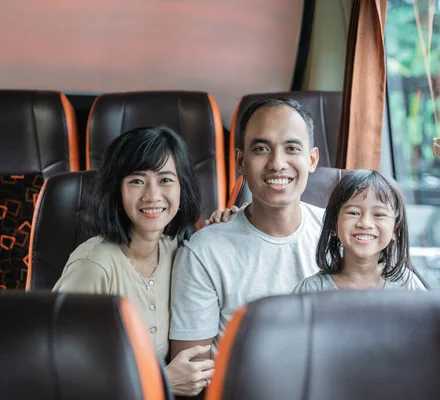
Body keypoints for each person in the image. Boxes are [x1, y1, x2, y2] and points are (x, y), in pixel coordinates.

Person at [53, 126, 214, 397]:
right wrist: (160, 381)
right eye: (137, 181)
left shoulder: (177, 248)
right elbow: (60, 372)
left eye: (165, 180)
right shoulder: (93, 266)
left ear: (181, 187)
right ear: (117, 191)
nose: (152, 195)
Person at [169, 98, 322, 361]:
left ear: (311, 159)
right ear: (240, 161)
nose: (277, 163)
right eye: (261, 148)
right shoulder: (204, 252)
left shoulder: (340, 235)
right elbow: (191, 372)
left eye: (292, 148)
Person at [293, 169, 426, 292]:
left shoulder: (408, 285)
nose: (365, 223)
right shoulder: (311, 290)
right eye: (354, 213)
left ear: (395, 230)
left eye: (379, 215)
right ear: (333, 225)